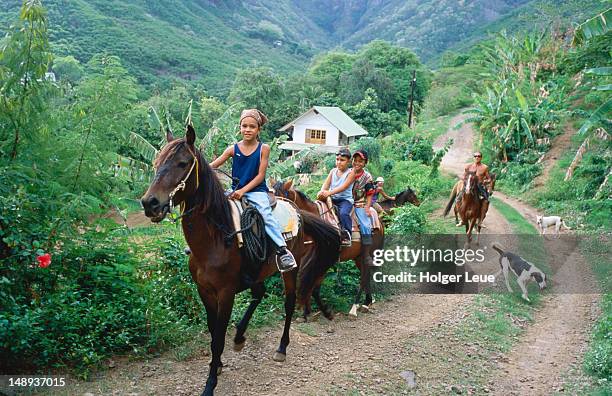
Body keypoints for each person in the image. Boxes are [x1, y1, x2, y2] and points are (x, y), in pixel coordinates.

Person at [210, 109, 297, 272]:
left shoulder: (263, 148)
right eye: (244, 126)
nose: (247, 129)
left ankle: (282, 250)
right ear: (240, 127)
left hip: (256, 191)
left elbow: (260, 176)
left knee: (265, 215)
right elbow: (213, 165)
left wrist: (243, 191)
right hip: (234, 190)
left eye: (252, 126)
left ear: (258, 130)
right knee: (212, 206)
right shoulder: (232, 149)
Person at [317, 148, 355, 246]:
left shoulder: (351, 173)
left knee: (343, 214)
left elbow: (343, 187)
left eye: (342, 160)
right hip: (331, 199)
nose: (339, 162)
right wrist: (322, 192)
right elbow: (326, 185)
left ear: (348, 161)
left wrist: (328, 193)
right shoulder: (333, 171)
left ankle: (347, 235)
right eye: (337, 159)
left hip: (344, 200)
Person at [351, 150, 376, 266]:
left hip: (359, 203)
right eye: (355, 160)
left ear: (365, 163)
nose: (357, 163)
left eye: (360, 161)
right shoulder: (348, 172)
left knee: (366, 225)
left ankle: (366, 255)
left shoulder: (367, 176)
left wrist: (367, 206)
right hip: (345, 201)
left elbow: (370, 193)